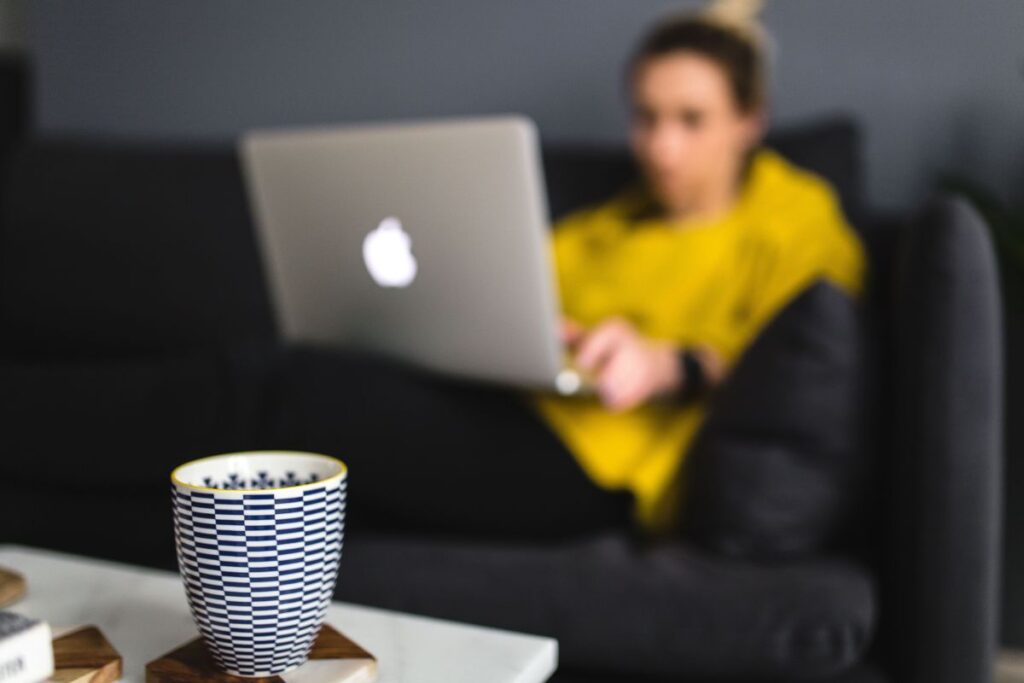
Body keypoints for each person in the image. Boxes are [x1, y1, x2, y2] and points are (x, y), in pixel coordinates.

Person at [269, 0, 865, 540]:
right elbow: (508, 286)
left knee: (293, 391)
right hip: (510, 410)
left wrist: (671, 363)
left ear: (749, 122)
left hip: (602, 464)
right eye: (646, 117)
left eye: (691, 119)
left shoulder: (797, 219)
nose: (661, 149)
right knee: (306, 377)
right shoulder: (611, 223)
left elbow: (798, 364)